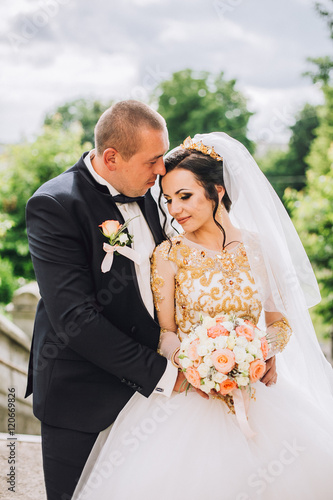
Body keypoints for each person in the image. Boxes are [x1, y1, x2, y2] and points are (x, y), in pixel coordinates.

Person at [72, 132, 333, 500]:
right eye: (168, 199)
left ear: (217, 191)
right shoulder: (168, 255)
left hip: (258, 391)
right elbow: (165, 333)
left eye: (185, 196)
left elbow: (279, 323)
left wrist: (261, 352)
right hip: (190, 396)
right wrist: (198, 366)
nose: (175, 209)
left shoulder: (257, 248)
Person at [25, 100, 220, 499]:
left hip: (151, 399)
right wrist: (169, 376)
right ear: (111, 157)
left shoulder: (149, 191)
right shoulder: (54, 204)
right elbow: (75, 318)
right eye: (153, 160)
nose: (162, 170)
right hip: (81, 397)